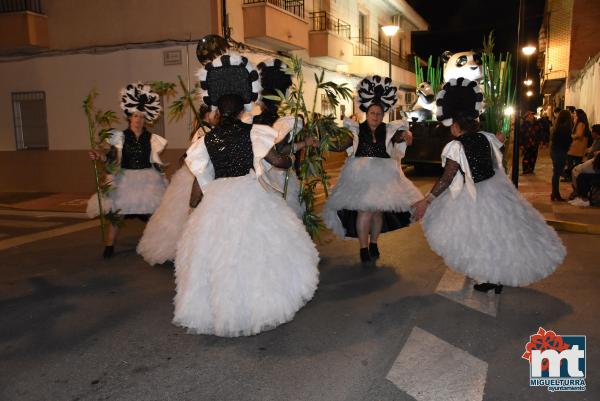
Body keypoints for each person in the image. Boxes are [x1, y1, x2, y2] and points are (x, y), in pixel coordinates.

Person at [173, 52, 319, 337]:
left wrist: (194, 208)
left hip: (216, 200)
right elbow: (279, 161)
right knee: (254, 255)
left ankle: (224, 312)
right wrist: (288, 161)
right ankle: (254, 308)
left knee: (219, 258)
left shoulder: (206, 140)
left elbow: (200, 180)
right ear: (243, 108)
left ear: (217, 109)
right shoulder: (255, 133)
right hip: (248, 195)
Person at [412, 77, 565, 294]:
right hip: (496, 190)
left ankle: (493, 277)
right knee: (496, 238)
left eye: (451, 127)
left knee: (482, 240)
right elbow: (498, 146)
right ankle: (496, 276)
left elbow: (447, 179)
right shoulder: (485, 137)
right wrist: (505, 131)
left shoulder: (455, 146)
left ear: (455, 125)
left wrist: (426, 200)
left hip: (475, 196)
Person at [322, 75, 423, 263]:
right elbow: (339, 146)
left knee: (377, 211)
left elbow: (401, 136)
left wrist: (407, 135)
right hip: (360, 176)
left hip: (384, 177)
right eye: (372, 113)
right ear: (366, 114)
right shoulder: (356, 130)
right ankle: (362, 248)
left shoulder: (390, 130)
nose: (375, 117)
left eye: (378, 114)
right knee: (364, 211)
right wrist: (323, 143)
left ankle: (374, 243)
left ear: (382, 114)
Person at [87, 82, 168, 258]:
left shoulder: (152, 139)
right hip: (125, 179)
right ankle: (109, 245)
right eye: (135, 116)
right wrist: (98, 155)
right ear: (129, 117)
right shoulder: (120, 137)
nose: (138, 120)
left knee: (154, 212)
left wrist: (160, 173)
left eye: (141, 116)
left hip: (148, 178)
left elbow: (154, 160)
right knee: (118, 212)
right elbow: (110, 157)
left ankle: (156, 243)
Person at [137, 105, 218, 265]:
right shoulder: (202, 131)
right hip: (195, 176)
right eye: (215, 113)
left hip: (199, 173)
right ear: (208, 114)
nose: (218, 116)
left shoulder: (208, 130)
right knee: (185, 214)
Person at [549, 110, 573, 201]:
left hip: (555, 151)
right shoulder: (565, 128)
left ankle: (554, 193)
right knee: (557, 173)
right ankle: (555, 194)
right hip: (560, 152)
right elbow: (567, 141)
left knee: (556, 173)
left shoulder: (557, 126)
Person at [564, 109, 590, 181]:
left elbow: (579, 134)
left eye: (575, 113)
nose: (573, 115)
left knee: (571, 161)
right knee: (575, 162)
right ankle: (572, 177)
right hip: (577, 147)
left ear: (579, 115)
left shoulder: (581, 123)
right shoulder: (579, 122)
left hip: (577, 147)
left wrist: (571, 136)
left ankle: (571, 176)